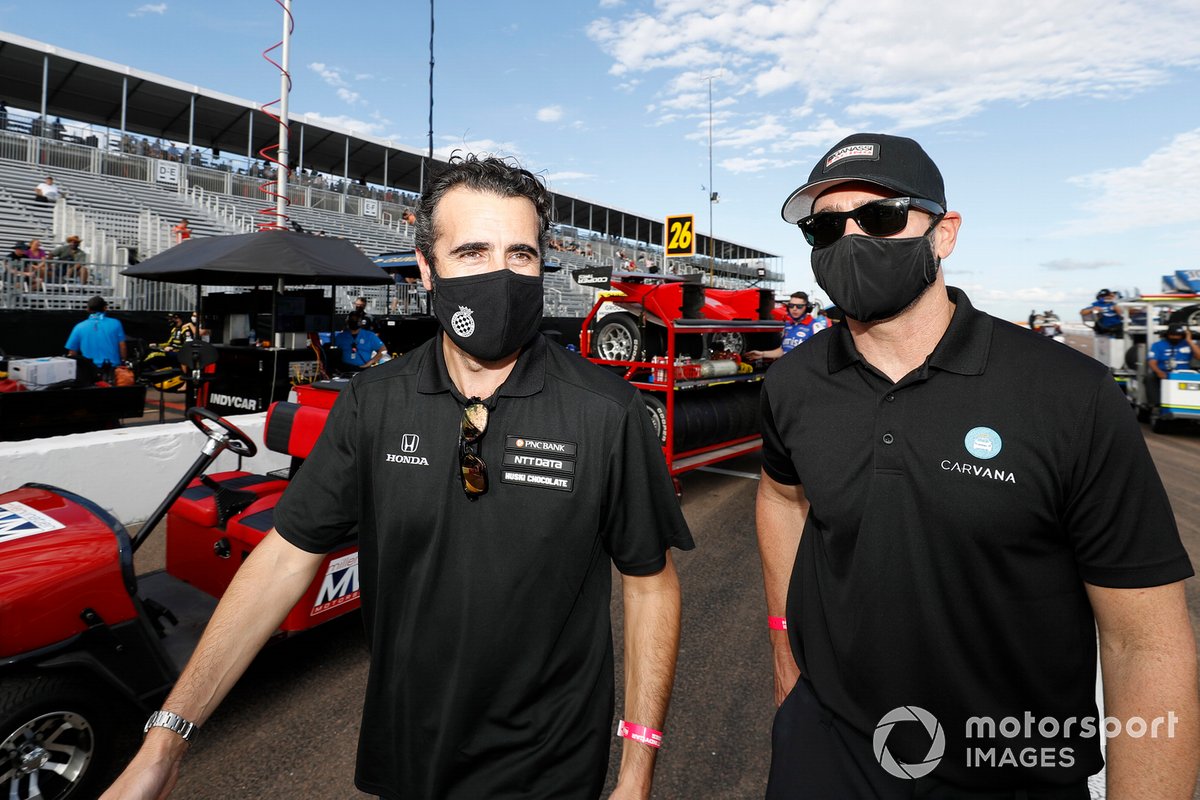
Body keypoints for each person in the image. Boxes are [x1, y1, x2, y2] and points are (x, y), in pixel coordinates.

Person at [102, 154, 693, 800]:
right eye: (472, 251)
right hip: (406, 760)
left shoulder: (605, 412)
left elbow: (650, 588)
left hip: (548, 773)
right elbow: (283, 560)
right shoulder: (374, 402)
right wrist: (166, 737)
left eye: (520, 254)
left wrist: (637, 773)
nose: (500, 273)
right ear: (427, 270)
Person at [757, 132, 1198, 798]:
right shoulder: (793, 385)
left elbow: (1149, 647)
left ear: (944, 233)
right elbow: (780, 499)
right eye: (825, 227)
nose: (850, 239)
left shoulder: (1069, 395)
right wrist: (786, 652)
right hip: (830, 748)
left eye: (878, 217)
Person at [746, 291, 828, 361]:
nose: (794, 309)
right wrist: (762, 354)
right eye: (791, 306)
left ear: (807, 308)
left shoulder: (815, 327)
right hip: (789, 370)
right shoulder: (788, 325)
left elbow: (824, 354)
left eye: (799, 306)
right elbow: (783, 351)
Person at [65, 295, 126, 369]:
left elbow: (72, 353)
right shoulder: (116, 323)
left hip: (89, 371)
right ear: (105, 308)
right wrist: (123, 362)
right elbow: (122, 346)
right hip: (113, 370)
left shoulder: (79, 327)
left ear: (88, 309)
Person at [1146, 323, 1196, 411]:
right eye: (1173, 335)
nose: (1175, 337)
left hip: (1184, 374)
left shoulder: (1187, 344)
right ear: (1168, 335)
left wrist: (1189, 341)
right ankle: (1156, 405)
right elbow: (1152, 362)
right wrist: (1159, 372)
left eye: (1178, 335)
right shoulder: (1158, 345)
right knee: (1150, 377)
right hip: (1164, 373)